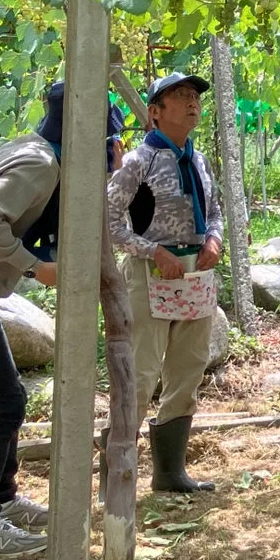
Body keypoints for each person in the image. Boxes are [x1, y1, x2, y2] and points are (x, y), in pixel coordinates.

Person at [0, 84, 122, 555]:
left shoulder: (35, 150)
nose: (112, 150)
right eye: (106, 140)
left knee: (7, 398)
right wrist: (34, 266)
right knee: (4, 405)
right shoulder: (39, 165)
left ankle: (1, 499)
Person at [108, 73, 226, 495]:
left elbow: (215, 211)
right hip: (150, 273)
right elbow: (109, 222)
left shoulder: (200, 160)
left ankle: (170, 472)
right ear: (156, 112)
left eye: (195, 96)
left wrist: (214, 239)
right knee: (140, 372)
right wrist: (153, 251)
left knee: (189, 367)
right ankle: (117, 474)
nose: (192, 102)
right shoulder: (139, 162)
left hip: (195, 273)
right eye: (181, 96)